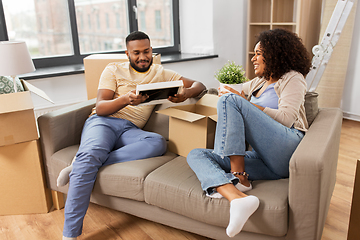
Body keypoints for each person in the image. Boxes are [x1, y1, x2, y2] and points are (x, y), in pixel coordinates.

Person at [61, 31, 206, 240]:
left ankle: (83, 163)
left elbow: (199, 86)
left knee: (157, 142)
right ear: (127, 53)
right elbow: (101, 107)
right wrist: (125, 100)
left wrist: (185, 94)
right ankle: (69, 235)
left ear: (151, 50)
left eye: (146, 51)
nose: (142, 57)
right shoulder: (113, 69)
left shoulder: (161, 72)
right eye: (136, 52)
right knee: (91, 153)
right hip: (103, 122)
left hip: (130, 130)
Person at [187, 28, 311, 238]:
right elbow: (226, 89)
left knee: (231, 101)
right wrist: (193, 91)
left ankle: (239, 177)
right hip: (266, 161)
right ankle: (237, 198)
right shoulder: (259, 82)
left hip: (288, 149)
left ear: (274, 54)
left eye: (258, 53)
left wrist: (243, 102)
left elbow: (287, 119)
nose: (253, 59)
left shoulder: (293, 78)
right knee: (197, 154)